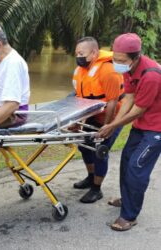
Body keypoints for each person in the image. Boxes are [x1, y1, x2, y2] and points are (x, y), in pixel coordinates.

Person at [98, 33, 161, 231]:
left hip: (156, 127)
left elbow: (138, 110)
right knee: (126, 159)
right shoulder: (128, 68)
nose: (116, 63)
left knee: (137, 166)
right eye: (114, 58)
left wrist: (112, 126)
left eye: (121, 60)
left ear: (135, 57)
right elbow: (130, 98)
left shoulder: (151, 75)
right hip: (142, 124)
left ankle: (129, 215)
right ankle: (127, 199)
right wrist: (115, 123)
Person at [71, 37, 125, 203]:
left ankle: (97, 189)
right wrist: (78, 122)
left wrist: (106, 127)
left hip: (112, 117)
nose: (78, 56)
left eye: (82, 53)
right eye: (77, 53)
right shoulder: (81, 70)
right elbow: (82, 100)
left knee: (99, 150)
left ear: (94, 53)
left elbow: (112, 102)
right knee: (84, 146)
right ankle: (90, 177)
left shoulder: (108, 70)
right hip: (93, 115)